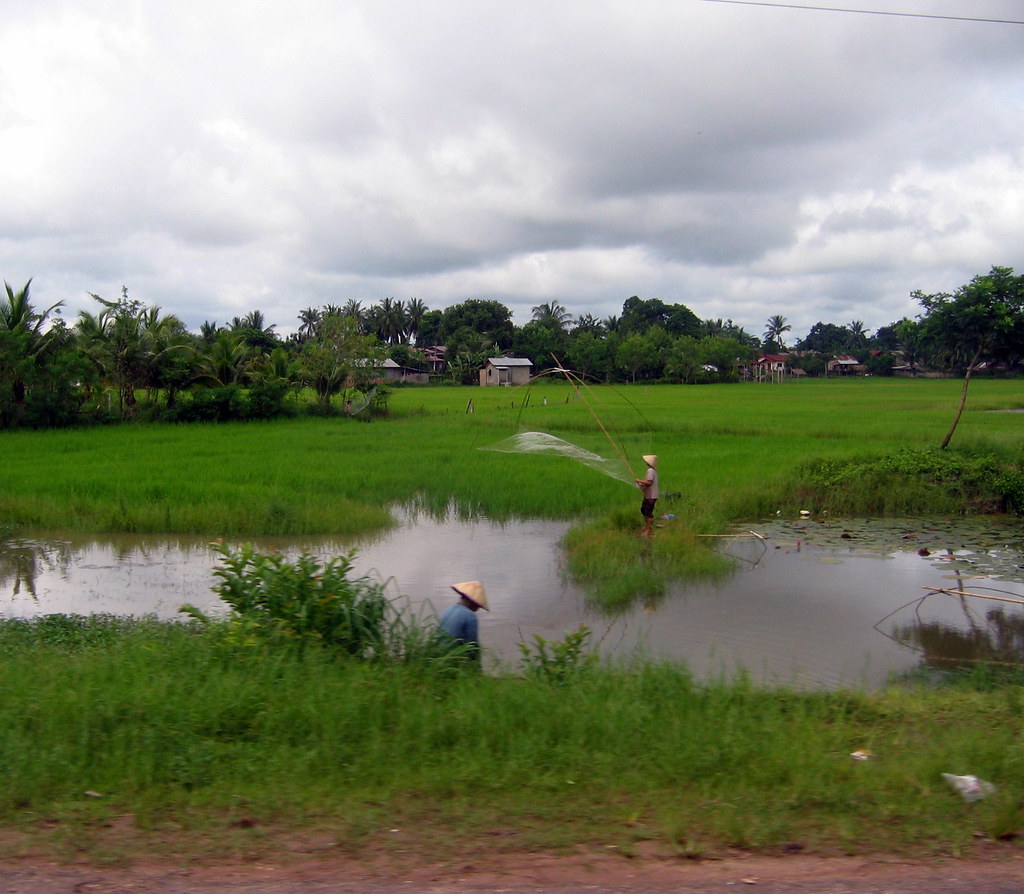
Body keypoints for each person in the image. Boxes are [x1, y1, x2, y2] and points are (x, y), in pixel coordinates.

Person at [437, 580, 490, 664]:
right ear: (471, 601)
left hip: (439, 655)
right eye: (477, 604)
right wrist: (477, 666)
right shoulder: (470, 616)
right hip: (453, 658)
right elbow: (472, 645)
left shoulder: (448, 610)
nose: (478, 608)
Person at [634, 454, 659, 536]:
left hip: (651, 496)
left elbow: (649, 482)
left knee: (648, 513)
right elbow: (647, 483)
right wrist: (641, 484)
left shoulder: (650, 471)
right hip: (648, 495)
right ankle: (647, 527)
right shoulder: (651, 470)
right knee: (643, 510)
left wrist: (639, 480)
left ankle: (648, 530)